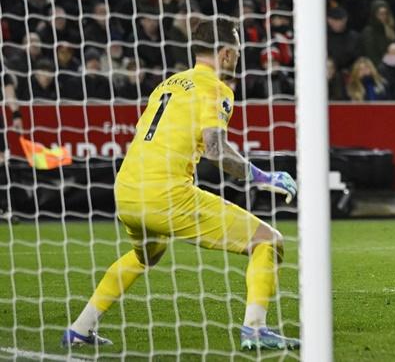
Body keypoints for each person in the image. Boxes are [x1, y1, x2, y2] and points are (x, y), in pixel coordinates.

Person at [64, 20, 299, 350]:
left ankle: (80, 328)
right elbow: (216, 149)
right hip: (166, 194)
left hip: (127, 192)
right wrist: (263, 177)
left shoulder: (168, 84)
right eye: (237, 53)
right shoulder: (216, 88)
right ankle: (256, 329)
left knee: (145, 255)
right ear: (227, 54)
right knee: (268, 241)